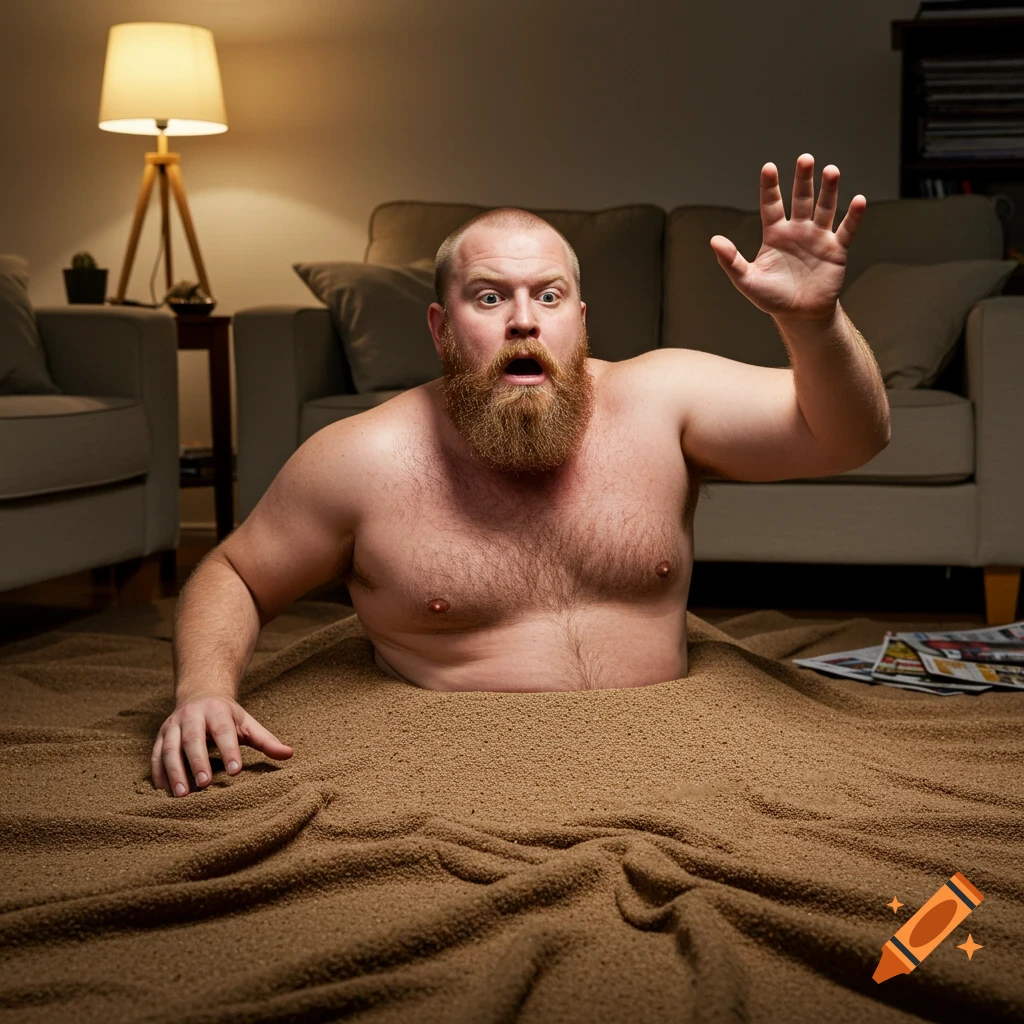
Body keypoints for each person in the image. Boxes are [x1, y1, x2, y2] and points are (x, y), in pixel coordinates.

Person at [152, 154, 890, 797]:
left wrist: (813, 323)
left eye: (548, 295)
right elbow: (237, 574)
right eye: (489, 296)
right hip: (452, 770)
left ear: (579, 317)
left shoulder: (662, 399)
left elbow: (850, 438)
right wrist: (203, 693)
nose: (524, 321)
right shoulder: (363, 457)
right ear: (442, 329)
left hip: (679, 756)